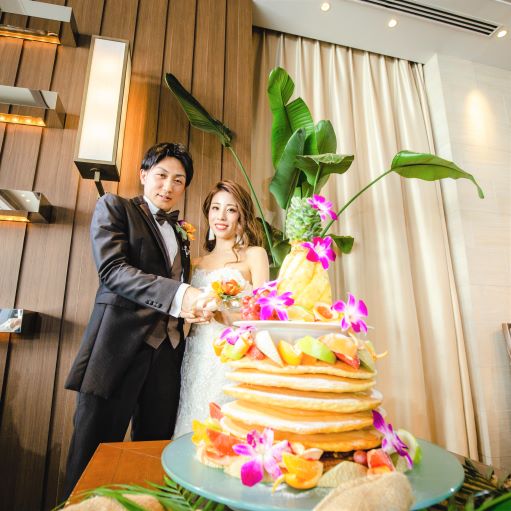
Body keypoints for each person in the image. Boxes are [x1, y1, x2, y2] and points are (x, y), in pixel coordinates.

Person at [63, 142, 213, 496]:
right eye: (161, 175)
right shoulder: (114, 207)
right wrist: (180, 295)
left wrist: (190, 308)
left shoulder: (182, 232)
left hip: (168, 356)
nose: (168, 186)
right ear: (143, 175)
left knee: (152, 454)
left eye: (179, 180)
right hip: (117, 349)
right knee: (92, 455)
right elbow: (113, 270)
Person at [173, 180, 269, 438]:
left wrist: (221, 313)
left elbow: (263, 314)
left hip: (233, 356)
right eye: (215, 208)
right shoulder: (195, 263)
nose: (221, 216)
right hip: (197, 354)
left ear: (241, 216)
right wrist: (189, 313)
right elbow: (183, 312)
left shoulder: (254, 255)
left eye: (231, 209)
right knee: (192, 422)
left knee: (231, 429)